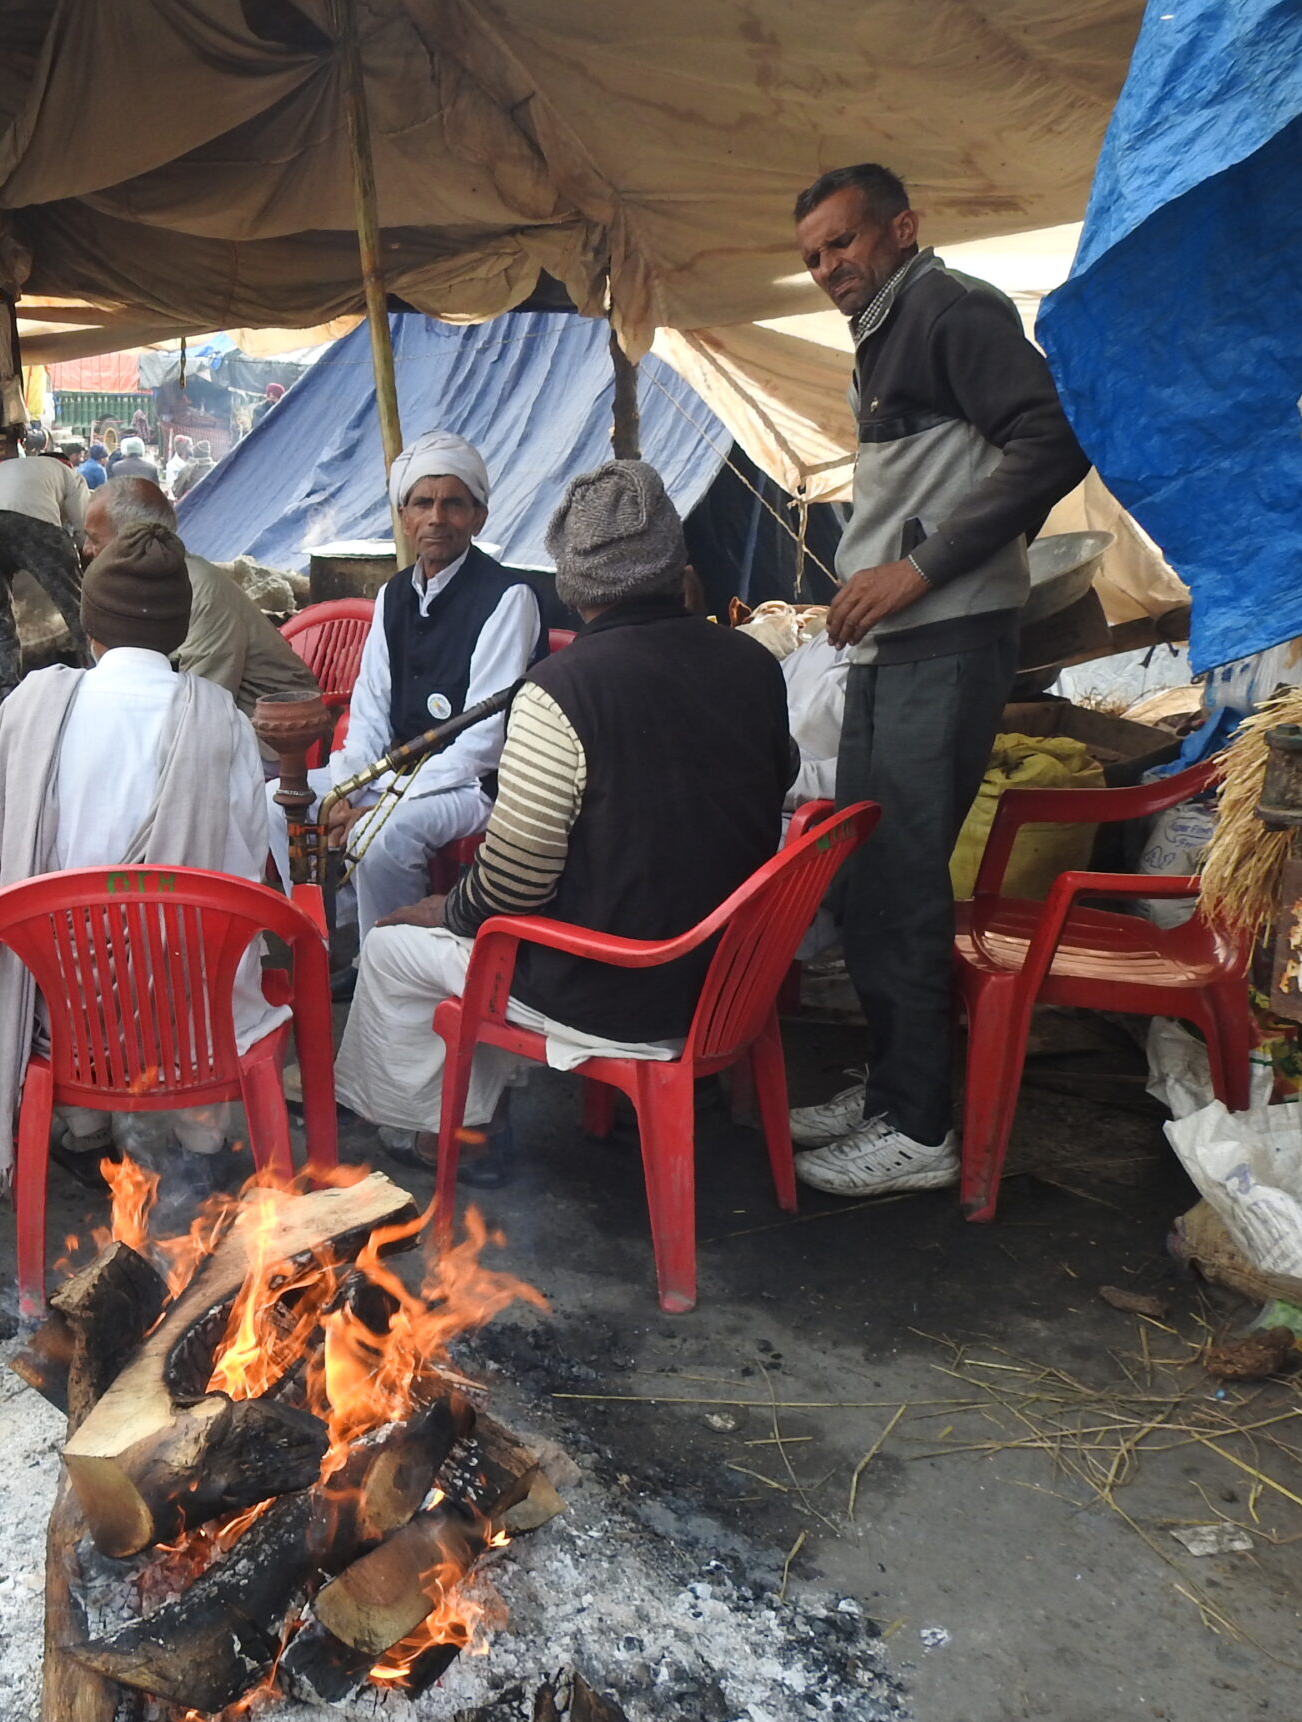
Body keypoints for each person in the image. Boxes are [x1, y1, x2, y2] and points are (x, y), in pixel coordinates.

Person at [336, 462, 794, 1183]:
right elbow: (782, 775)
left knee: (400, 944)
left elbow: (513, 885)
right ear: (679, 567)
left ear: (574, 588)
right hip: (735, 978)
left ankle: (448, 1132)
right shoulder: (754, 664)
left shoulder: (563, 688)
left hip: (618, 989)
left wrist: (443, 906)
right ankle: (468, 1118)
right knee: (473, 930)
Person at [785, 163, 1090, 1197]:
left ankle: (920, 1131)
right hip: (894, 643)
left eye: (843, 242)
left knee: (908, 875)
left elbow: (1051, 438)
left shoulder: (950, 309)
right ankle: (891, 1091)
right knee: (872, 871)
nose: (830, 267)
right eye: (815, 256)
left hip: (941, 637)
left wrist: (920, 568)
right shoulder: (885, 333)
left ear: (900, 228)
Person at [0, 523, 277, 1188]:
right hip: (187, 1020)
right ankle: (201, 1139)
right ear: (179, 629)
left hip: (65, 1011)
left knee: (44, 932)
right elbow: (248, 864)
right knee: (213, 936)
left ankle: (84, 1131)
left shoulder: (29, 704)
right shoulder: (221, 717)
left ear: (89, 623)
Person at [309, 431, 540, 931]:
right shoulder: (394, 595)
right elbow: (370, 709)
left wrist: (380, 795)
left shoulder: (507, 598)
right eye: (423, 503)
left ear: (479, 516)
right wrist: (350, 786)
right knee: (277, 802)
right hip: (394, 774)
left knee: (385, 833)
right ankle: (328, 933)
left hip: (471, 785)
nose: (437, 517)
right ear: (404, 517)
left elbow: (483, 743)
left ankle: (387, 958)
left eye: (454, 504)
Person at [84, 479, 319, 715]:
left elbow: (197, 712)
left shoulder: (201, 595)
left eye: (94, 538)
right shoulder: (144, 587)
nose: (85, 549)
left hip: (275, 732)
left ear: (134, 539)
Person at [0, 444, 89, 690]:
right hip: (33, 520)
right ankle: (96, 676)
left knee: (0, 610)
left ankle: (8, 686)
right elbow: (84, 528)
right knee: (77, 608)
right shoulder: (69, 474)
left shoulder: (15, 468)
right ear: (68, 464)